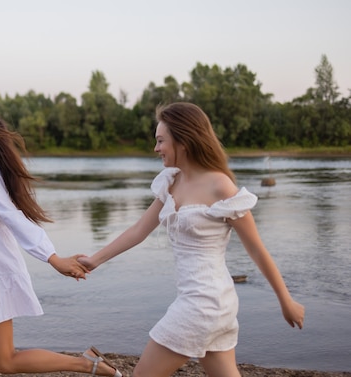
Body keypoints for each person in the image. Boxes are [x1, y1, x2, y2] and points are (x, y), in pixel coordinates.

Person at [78, 102, 305, 377]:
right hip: (204, 300)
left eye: (161, 140)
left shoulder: (220, 186)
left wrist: (285, 300)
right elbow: (139, 230)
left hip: (203, 303)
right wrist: (94, 261)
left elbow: (257, 250)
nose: (156, 148)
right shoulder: (171, 181)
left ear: (183, 140)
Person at [0, 113, 122, 377]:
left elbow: (14, 219)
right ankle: (88, 362)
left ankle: (87, 364)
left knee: (6, 361)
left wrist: (52, 258)